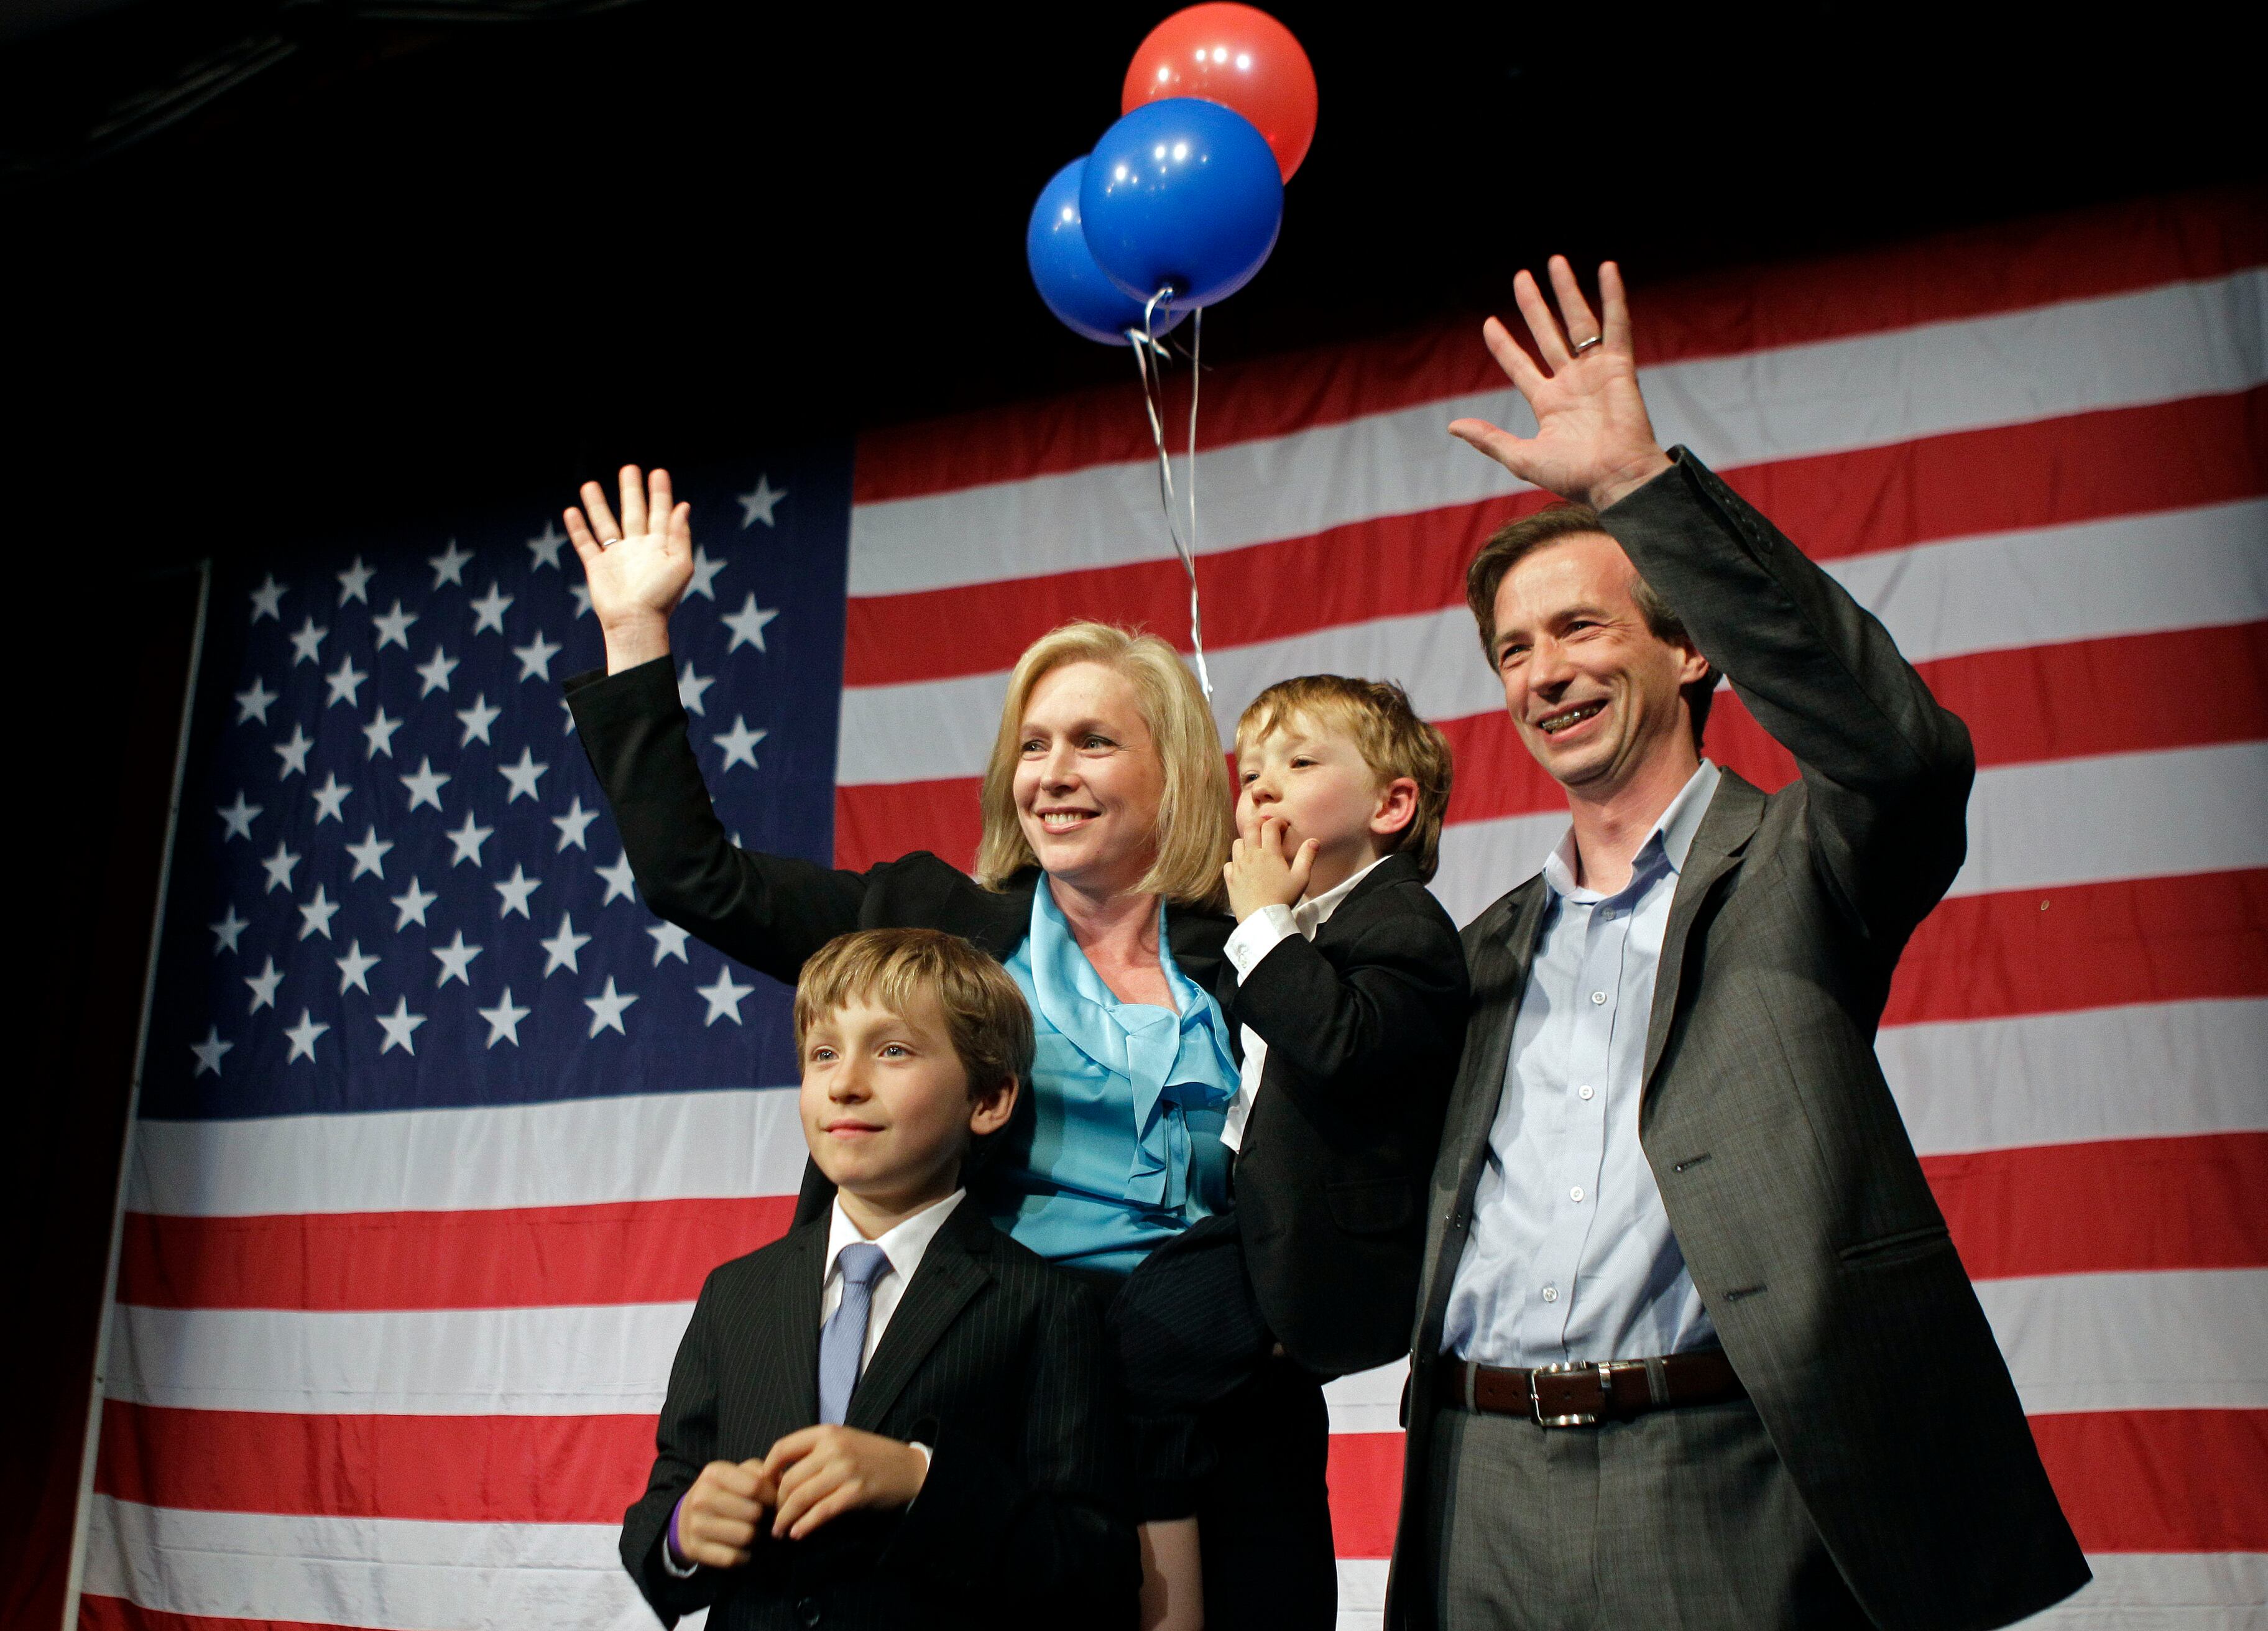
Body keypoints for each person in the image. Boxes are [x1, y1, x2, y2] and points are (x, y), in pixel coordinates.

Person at [1390, 259, 2089, 1630]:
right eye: (1514, 651)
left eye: (1581, 625)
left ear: (1692, 651)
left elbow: (1898, 747)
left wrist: (1643, 487)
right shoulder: (1477, 952)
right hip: (1476, 1478)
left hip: (1715, 1480)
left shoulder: (1799, 866)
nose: (1543, 674)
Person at [562, 476, 1336, 1630]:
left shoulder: (1252, 948)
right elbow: (695, 876)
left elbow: (1345, 1151)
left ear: (1172, 769)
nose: (1052, 771)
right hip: (1001, 1402)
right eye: (1032, 744)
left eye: (1092, 741)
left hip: (1217, 1413)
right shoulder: (932, 922)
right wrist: (636, 631)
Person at [619, 927, 1134, 1629]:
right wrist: (682, 1532)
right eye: (823, 1053)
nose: (845, 1082)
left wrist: (922, 1480)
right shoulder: (735, 1293)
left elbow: (1091, 1567)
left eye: (892, 1050)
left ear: (987, 1100)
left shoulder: (1045, 1307)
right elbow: (668, 1494)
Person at [1112, 675, 1472, 1609]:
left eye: (1302, 762)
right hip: (1253, 1230)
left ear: (1392, 804)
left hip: (1318, 1261)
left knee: (1135, 1344)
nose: (1263, 786)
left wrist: (1264, 924)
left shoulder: (1404, 926)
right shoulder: (1299, 927)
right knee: (1145, 1349)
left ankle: (1170, 1597)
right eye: (1253, 770)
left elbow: (1343, 1041)